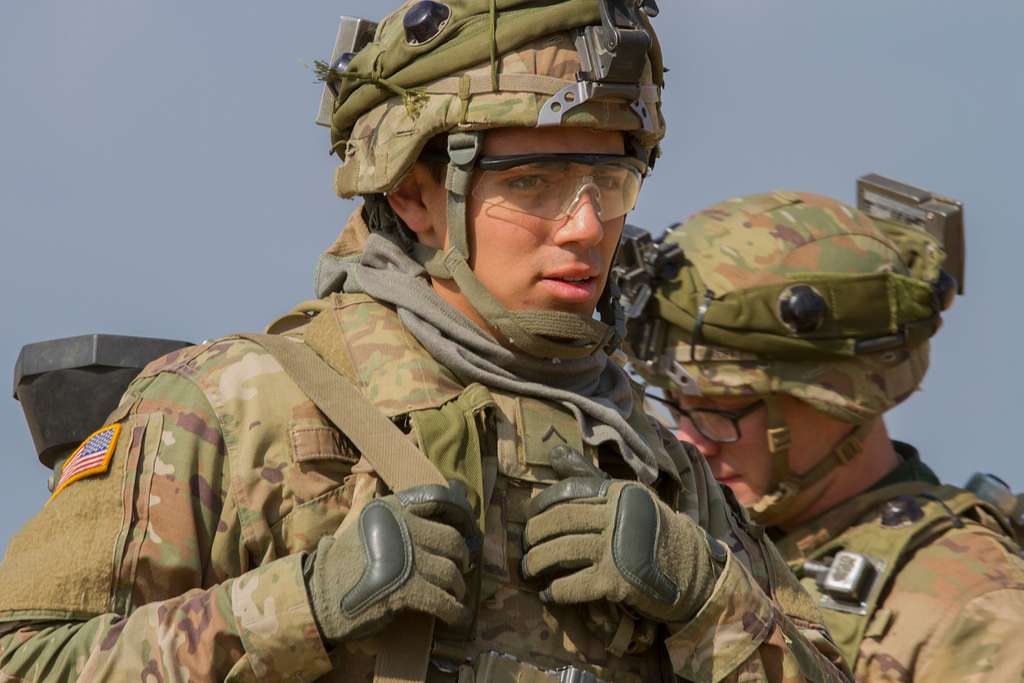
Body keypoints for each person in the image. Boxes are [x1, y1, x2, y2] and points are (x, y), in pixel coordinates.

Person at [0, 3, 851, 681]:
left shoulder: (656, 465)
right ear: (413, 194)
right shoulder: (237, 403)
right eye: (534, 183)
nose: (586, 226)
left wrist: (705, 595)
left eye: (610, 181)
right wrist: (302, 606)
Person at [623, 189, 1024, 681]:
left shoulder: (975, 608)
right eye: (678, 408)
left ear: (836, 397)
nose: (692, 442)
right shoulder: (708, 543)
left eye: (720, 412)